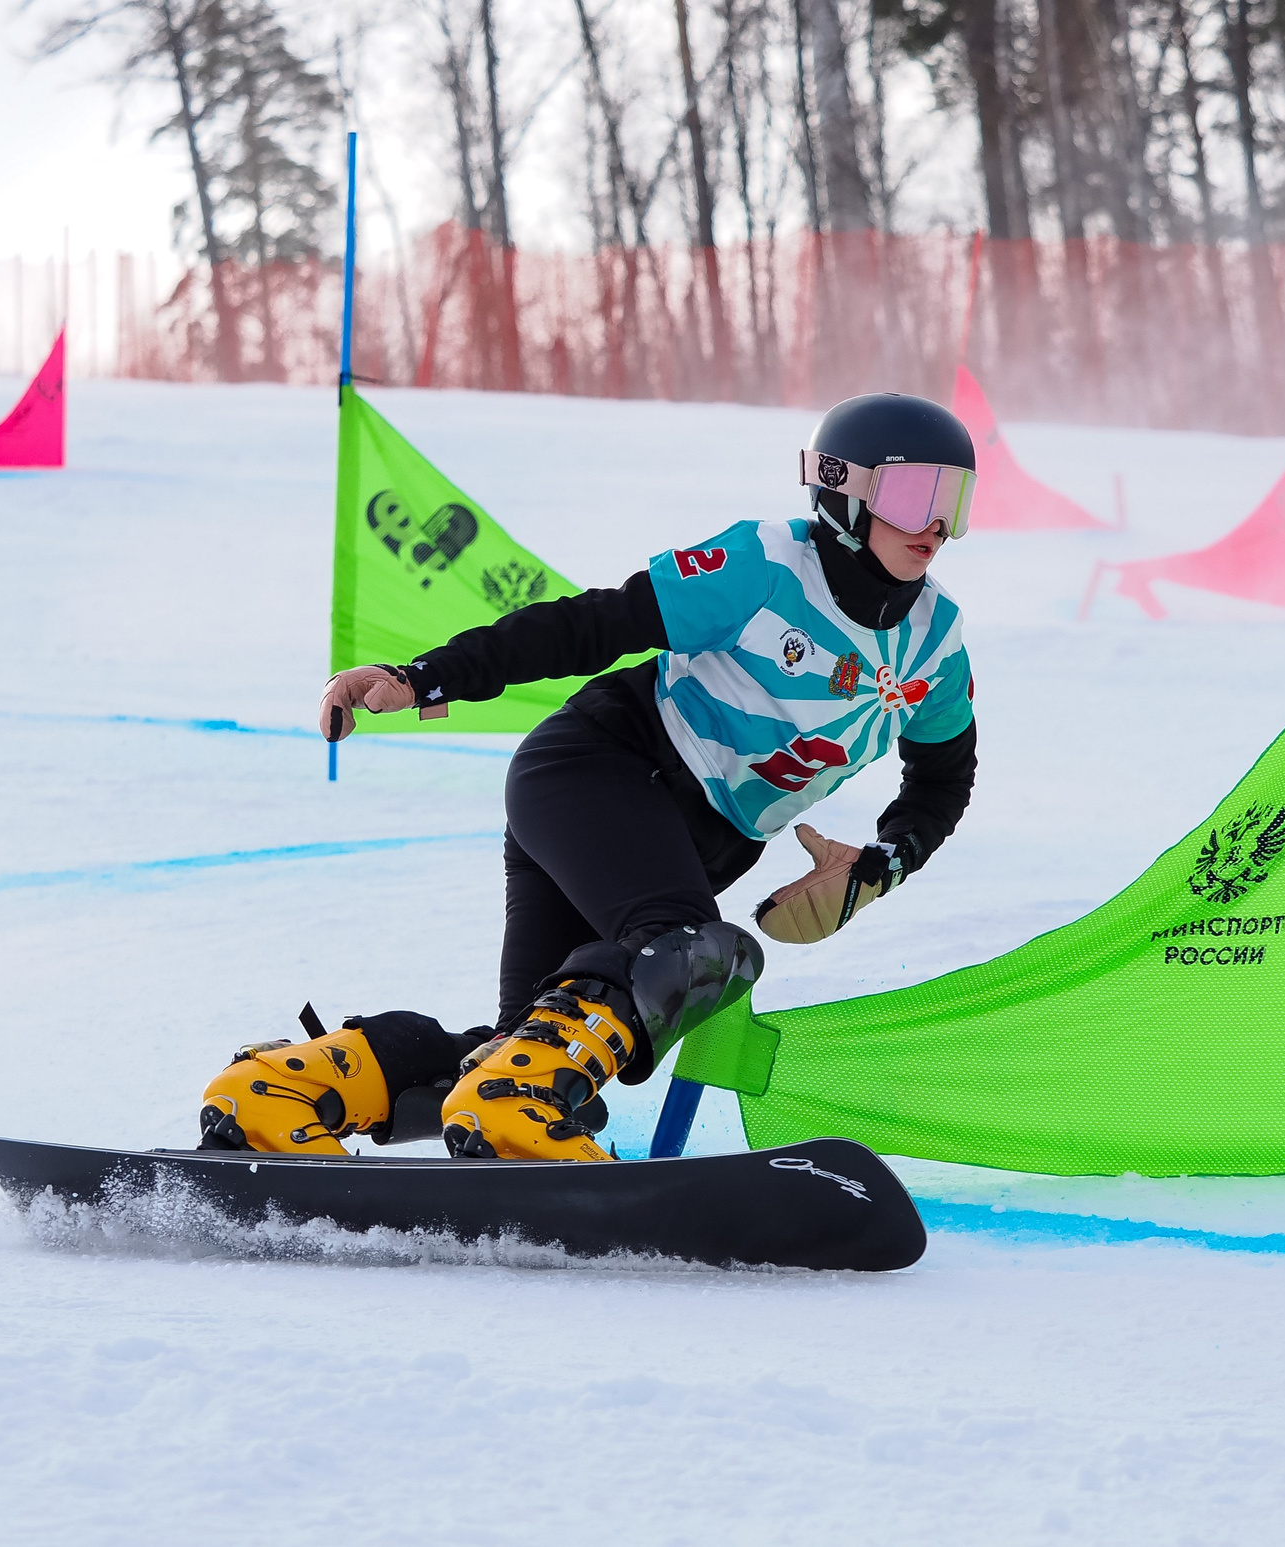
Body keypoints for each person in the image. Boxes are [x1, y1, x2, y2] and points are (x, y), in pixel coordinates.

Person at [197, 391, 982, 1161]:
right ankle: (504, 1110)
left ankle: (285, 1087)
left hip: (676, 843)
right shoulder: (768, 566)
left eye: (956, 499)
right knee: (702, 954)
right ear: (844, 487)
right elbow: (594, 624)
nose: (938, 526)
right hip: (599, 771)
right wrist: (428, 676)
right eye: (918, 495)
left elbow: (943, 780)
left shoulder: (934, 646)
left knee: (518, 1055)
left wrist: (883, 862)